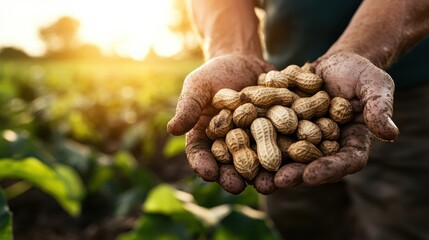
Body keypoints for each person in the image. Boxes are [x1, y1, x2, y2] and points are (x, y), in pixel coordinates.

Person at [167, 0, 429, 239]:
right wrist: (232, 50)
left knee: (401, 223)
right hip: (284, 73)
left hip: (402, 85)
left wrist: (363, 49)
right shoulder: (270, 105)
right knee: (299, 222)